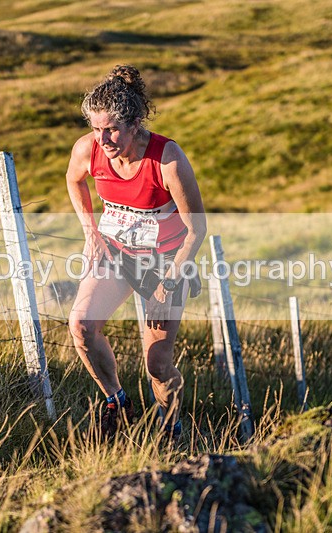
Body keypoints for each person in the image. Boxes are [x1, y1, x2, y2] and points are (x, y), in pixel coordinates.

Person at [66, 65, 207, 442]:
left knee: (158, 364)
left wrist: (170, 281)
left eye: (110, 129)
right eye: (95, 129)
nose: (103, 138)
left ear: (134, 124)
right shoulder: (89, 149)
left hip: (165, 262)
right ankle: (118, 402)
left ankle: (171, 427)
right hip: (115, 252)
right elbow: (73, 179)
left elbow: (197, 229)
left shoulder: (167, 159)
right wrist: (90, 232)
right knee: (81, 326)